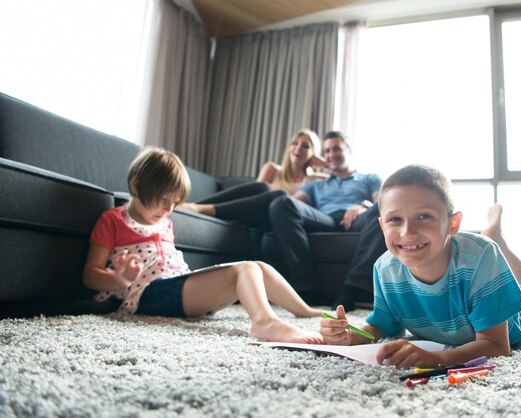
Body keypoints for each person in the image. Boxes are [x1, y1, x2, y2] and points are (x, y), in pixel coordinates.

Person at [320, 164, 521, 368]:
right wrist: (350, 335)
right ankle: (498, 240)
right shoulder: (384, 268)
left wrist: (438, 359)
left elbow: (497, 346)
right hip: (477, 292)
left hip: (519, 318)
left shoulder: (482, 256)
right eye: (395, 219)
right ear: (381, 226)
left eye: (424, 217)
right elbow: (382, 326)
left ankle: (499, 241)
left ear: (453, 224)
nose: (408, 232)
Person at [83, 147, 323, 344]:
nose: (169, 209)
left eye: (175, 202)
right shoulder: (113, 220)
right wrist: (118, 279)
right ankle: (265, 323)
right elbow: (90, 276)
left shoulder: (164, 223)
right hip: (147, 294)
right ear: (136, 187)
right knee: (245, 270)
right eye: (164, 199)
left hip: (177, 288)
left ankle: (306, 311)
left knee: (258, 266)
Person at [268, 131, 388, 308]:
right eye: (328, 151)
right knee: (281, 203)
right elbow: (291, 203)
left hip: (357, 219)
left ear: (349, 150)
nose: (332, 154)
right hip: (325, 218)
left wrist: (362, 206)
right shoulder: (316, 183)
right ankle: (306, 288)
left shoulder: (369, 178)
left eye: (337, 149)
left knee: (383, 208)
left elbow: (384, 202)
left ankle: (353, 288)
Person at [181, 129, 328, 227]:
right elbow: (254, 197)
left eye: (306, 146)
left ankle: (199, 208)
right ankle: (194, 206)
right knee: (263, 187)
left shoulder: (312, 180)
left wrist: (325, 164)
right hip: (251, 212)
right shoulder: (272, 169)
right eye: (295, 143)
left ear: (314, 154)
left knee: (280, 196)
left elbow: (343, 176)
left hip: (275, 221)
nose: (298, 148)